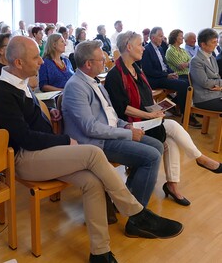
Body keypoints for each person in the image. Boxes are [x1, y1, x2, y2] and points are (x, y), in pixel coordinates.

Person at [0, 36, 183, 263]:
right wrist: (63, 140)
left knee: (92, 183)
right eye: (35, 57)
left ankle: (100, 252)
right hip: (25, 160)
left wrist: (49, 114)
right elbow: (25, 138)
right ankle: (136, 212)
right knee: (92, 152)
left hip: (41, 154)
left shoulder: (19, 83)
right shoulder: (3, 92)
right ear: (18, 63)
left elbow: (28, 121)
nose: (41, 62)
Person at [105, 32, 222, 208]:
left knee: (171, 139)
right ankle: (199, 158)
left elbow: (146, 95)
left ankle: (172, 185)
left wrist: (156, 107)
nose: (143, 48)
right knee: (172, 125)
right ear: (129, 47)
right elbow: (122, 109)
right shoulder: (115, 75)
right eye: (139, 44)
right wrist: (150, 115)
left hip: (144, 118)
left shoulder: (136, 68)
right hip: (131, 124)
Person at [62, 40, 164, 207]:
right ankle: (137, 212)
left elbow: (111, 116)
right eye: (102, 59)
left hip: (109, 134)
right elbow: (90, 128)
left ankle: (128, 197)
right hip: (95, 143)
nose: (106, 61)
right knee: (151, 157)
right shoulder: (76, 86)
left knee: (157, 145)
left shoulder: (95, 82)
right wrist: (128, 133)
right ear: (88, 64)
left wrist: (125, 125)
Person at [140, 27, 201, 128]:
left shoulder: (159, 48)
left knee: (186, 83)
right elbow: (148, 71)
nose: (163, 38)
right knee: (183, 85)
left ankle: (177, 107)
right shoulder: (147, 49)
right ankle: (186, 116)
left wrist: (173, 73)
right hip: (154, 80)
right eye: (160, 36)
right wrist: (166, 75)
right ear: (153, 38)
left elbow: (165, 65)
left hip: (163, 76)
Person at [190, 28, 222, 114]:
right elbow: (205, 82)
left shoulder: (212, 58)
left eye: (216, 41)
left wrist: (220, 86)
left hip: (217, 93)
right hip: (205, 98)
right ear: (203, 44)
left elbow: (217, 77)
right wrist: (220, 83)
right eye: (213, 42)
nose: (216, 45)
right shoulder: (196, 60)